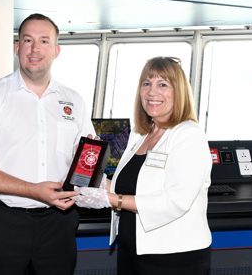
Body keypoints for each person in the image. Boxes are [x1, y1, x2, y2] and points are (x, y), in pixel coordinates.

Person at [0, 13, 95, 275]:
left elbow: (85, 160)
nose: (35, 49)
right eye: (28, 40)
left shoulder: (74, 101)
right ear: (17, 48)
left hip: (58, 225)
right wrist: (32, 190)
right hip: (1, 224)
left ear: (56, 50)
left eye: (44, 41)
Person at [75, 57, 213, 275]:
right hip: (133, 248)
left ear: (179, 92)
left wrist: (111, 200)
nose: (152, 92)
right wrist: (96, 180)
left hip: (172, 256)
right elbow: (133, 185)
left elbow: (176, 202)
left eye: (163, 84)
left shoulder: (188, 135)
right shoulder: (143, 134)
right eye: (146, 83)